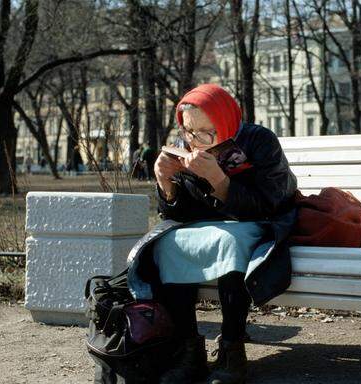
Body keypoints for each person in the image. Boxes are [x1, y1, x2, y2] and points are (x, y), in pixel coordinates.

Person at [126, 83, 298, 384]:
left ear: (225, 120)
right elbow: (176, 216)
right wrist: (166, 183)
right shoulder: (186, 148)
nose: (197, 140)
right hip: (208, 228)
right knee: (169, 243)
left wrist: (220, 181)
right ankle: (189, 350)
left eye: (207, 131)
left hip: (262, 223)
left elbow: (272, 201)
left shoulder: (259, 141)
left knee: (229, 243)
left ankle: (232, 349)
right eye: (189, 132)